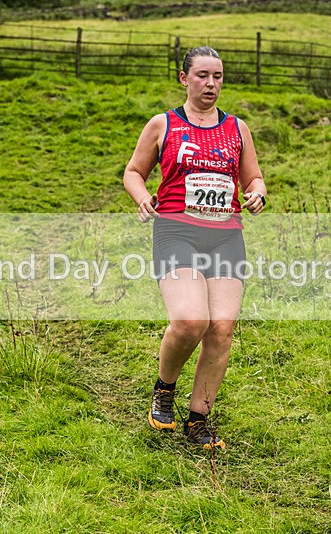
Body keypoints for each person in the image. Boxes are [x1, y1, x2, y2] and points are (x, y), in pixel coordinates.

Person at [123, 46, 266, 449]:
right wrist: (141, 197)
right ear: (184, 79)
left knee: (221, 328)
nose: (211, 84)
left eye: (218, 76)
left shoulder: (237, 129)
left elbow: (254, 179)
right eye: (202, 75)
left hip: (225, 235)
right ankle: (164, 389)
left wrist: (257, 195)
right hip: (177, 232)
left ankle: (199, 418)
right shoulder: (162, 125)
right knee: (190, 321)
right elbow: (134, 171)